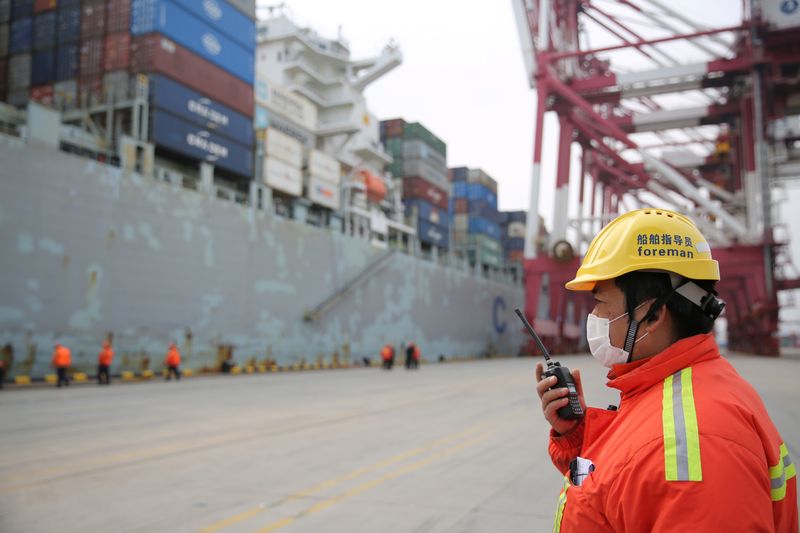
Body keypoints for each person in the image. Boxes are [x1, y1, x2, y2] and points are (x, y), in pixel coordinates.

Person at [535, 208, 797, 532]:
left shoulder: (697, 446)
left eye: (602, 303)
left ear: (653, 314)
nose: (595, 316)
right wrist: (575, 436)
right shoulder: (672, 393)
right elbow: (623, 487)